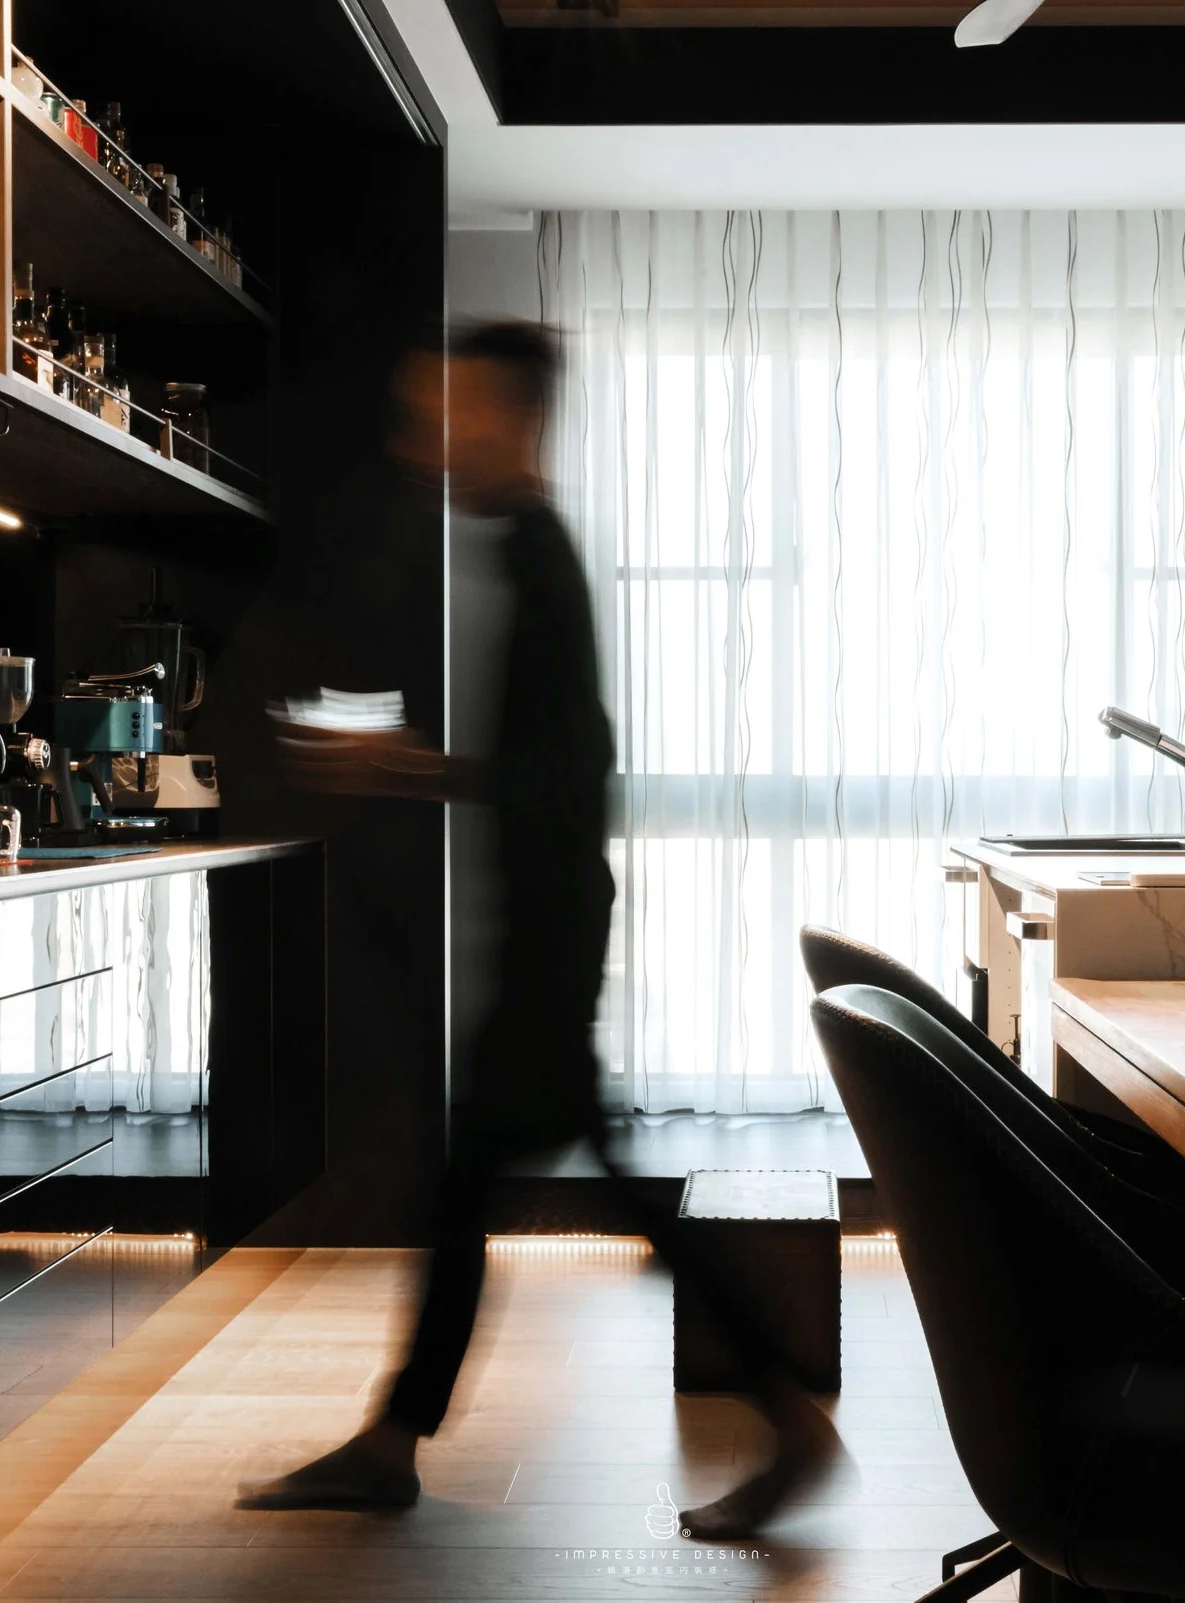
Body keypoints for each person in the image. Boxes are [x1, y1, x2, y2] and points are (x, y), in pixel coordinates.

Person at [240, 321, 838, 1538]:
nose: (426, 436)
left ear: (513, 417)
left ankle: (788, 1422)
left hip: (551, 940)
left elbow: (568, 774)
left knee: (554, 1189)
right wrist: (427, 775)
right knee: (489, 1191)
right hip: (545, 935)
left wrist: (414, 771)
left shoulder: (542, 557)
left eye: (448, 409)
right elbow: (543, 769)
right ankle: (396, 1439)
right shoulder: (511, 546)